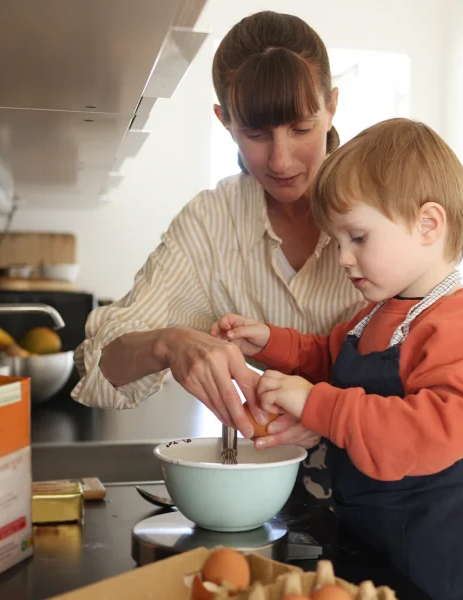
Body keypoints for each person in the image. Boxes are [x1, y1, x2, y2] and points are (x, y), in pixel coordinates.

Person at [211, 118, 463, 600]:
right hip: (372, 544)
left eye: (357, 238)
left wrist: (317, 404)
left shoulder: (461, 324)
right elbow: (328, 358)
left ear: (428, 224)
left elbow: (423, 431)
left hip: (439, 562)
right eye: (337, 241)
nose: (342, 257)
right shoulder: (377, 315)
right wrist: (269, 342)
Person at [72, 11, 363, 492]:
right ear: (224, 120)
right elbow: (100, 366)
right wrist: (169, 343)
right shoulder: (213, 223)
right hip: (281, 494)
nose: (281, 160)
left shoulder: (387, 202)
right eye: (256, 134)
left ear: (331, 106)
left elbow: (439, 366)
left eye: (301, 128)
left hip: (399, 495)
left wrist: (324, 410)